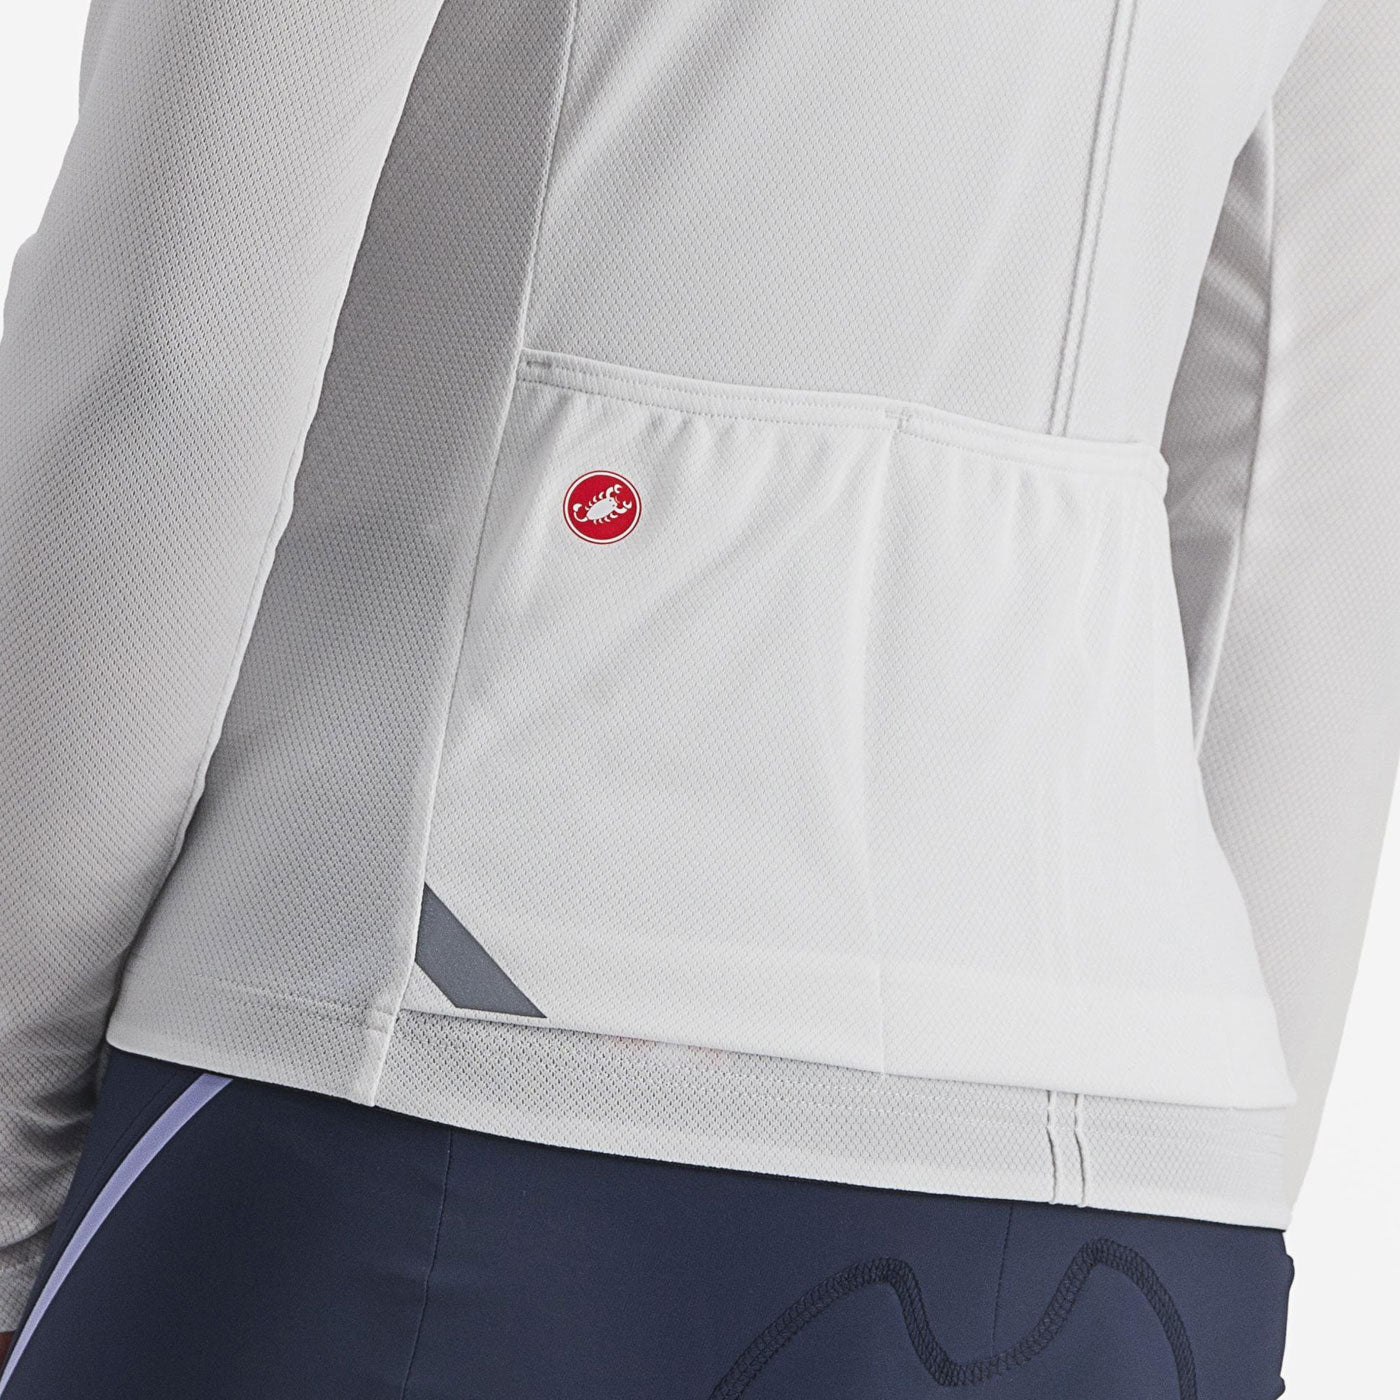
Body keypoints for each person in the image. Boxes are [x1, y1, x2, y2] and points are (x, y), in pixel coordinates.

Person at [1, 0, 1396, 1395]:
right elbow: (1305, 501)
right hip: (1139, 1194)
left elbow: (167, 372)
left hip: (441, 1069)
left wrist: (6, 1177)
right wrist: (1195, 1113)